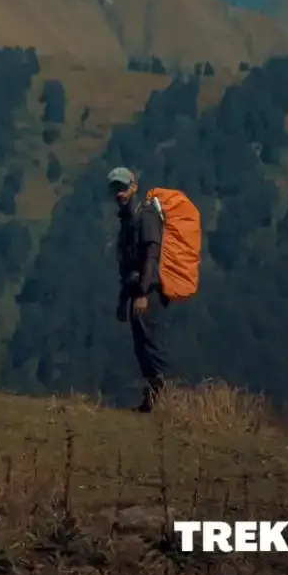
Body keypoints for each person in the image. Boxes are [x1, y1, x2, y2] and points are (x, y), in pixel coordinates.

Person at [109, 166, 170, 411]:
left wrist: (143, 293)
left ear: (133, 187)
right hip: (136, 290)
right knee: (141, 346)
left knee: (151, 345)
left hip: (149, 291)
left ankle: (168, 399)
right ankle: (152, 400)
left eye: (123, 187)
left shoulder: (146, 216)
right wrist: (123, 298)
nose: (119, 193)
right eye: (115, 188)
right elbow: (128, 262)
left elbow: (151, 255)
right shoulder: (127, 219)